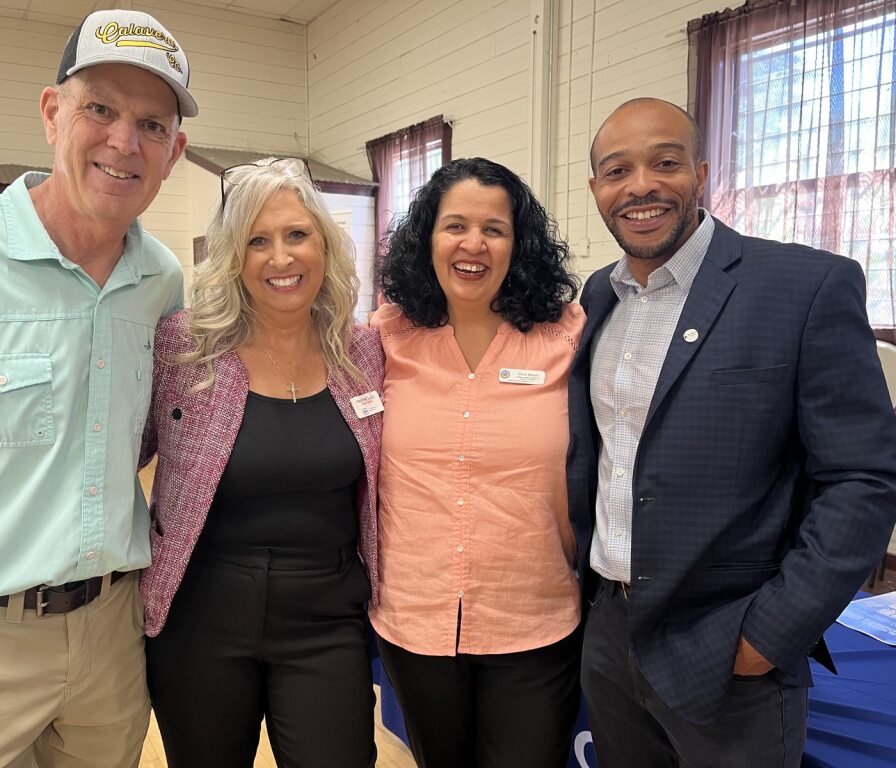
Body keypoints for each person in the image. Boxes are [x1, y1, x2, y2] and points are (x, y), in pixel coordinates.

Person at [0, 9, 193, 766]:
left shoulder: (162, 283)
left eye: (151, 124)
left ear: (174, 152)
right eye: (101, 109)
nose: (124, 142)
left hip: (112, 636)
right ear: (52, 113)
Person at [568, 97, 896, 768]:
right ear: (596, 189)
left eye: (665, 162)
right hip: (606, 632)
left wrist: (773, 633)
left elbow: (863, 476)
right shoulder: (595, 298)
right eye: (617, 169)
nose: (641, 186)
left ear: (702, 172)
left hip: (729, 643)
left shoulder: (804, 286)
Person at [140, 157, 383, 768]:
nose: (281, 258)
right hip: (202, 611)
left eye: (297, 235)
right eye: (258, 241)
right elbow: (116, 452)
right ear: (232, 257)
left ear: (324, 245)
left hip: (327, 613)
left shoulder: (364, 351)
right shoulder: (184, 345)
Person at [370, 157, 584, 768]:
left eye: (494, 229)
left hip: (534, 617)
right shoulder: (383, 338)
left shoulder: (565, 335)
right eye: (454, 225)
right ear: (427, 239)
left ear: (519, 245)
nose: (473, 244)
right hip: (415, 618)